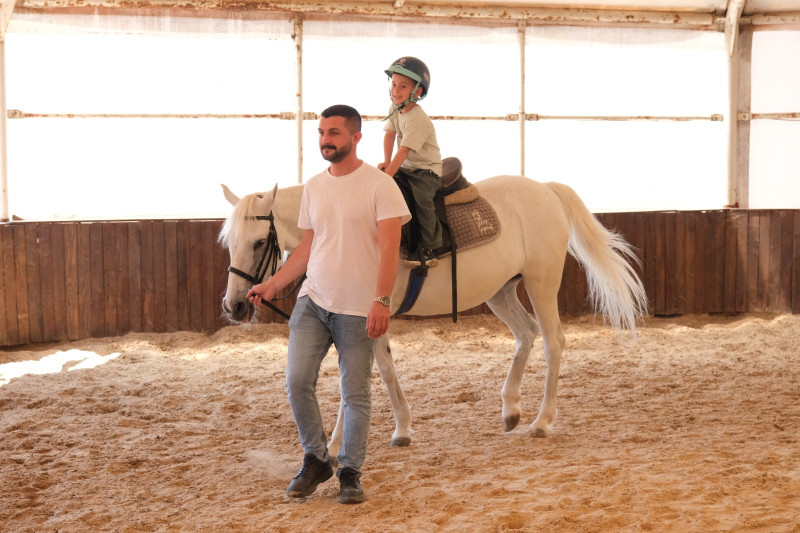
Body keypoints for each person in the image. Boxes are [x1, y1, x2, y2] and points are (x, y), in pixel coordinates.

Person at [246, 104, 410, 505]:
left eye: (334, 133)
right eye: (321, 133)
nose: (325, 140)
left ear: (355, 137)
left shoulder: (381, 186)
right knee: (296, 381)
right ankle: (316, 459)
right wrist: (273, 284)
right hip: (313, 302)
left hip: (359, 307)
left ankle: (350, 472)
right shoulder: (315, 187)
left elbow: (390, 249)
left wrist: (381, 301)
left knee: (355, 393)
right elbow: (307, 247)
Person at [378, 56, 443, 267]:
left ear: (417, 91)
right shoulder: (394, 108)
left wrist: (388, 176)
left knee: (422, 200)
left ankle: (429, 247)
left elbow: (404, 150)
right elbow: (389, 134)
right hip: (407, 167)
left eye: (403, 86)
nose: (396, 90)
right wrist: (387, 163)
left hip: (426, 170)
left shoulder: (417, 118)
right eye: (394, 84)